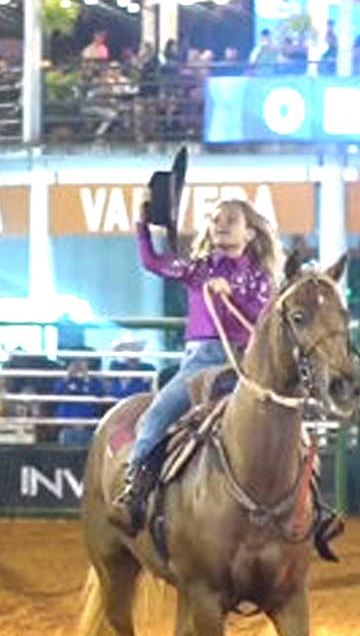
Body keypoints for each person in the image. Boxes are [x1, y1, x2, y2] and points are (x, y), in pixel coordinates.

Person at [112, 199, 281, 535]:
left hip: (245, 363)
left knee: (284, 419)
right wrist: (143, 228)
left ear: (249, 232)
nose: (221, 224)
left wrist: (233, 295)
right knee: (158, 413)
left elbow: (262, 323)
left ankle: (306, 495)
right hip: (200, 363)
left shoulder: (260, 278)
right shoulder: (198, 269)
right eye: (216, 219)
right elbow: (153, 262)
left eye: (231, 220)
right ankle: (134, 489)